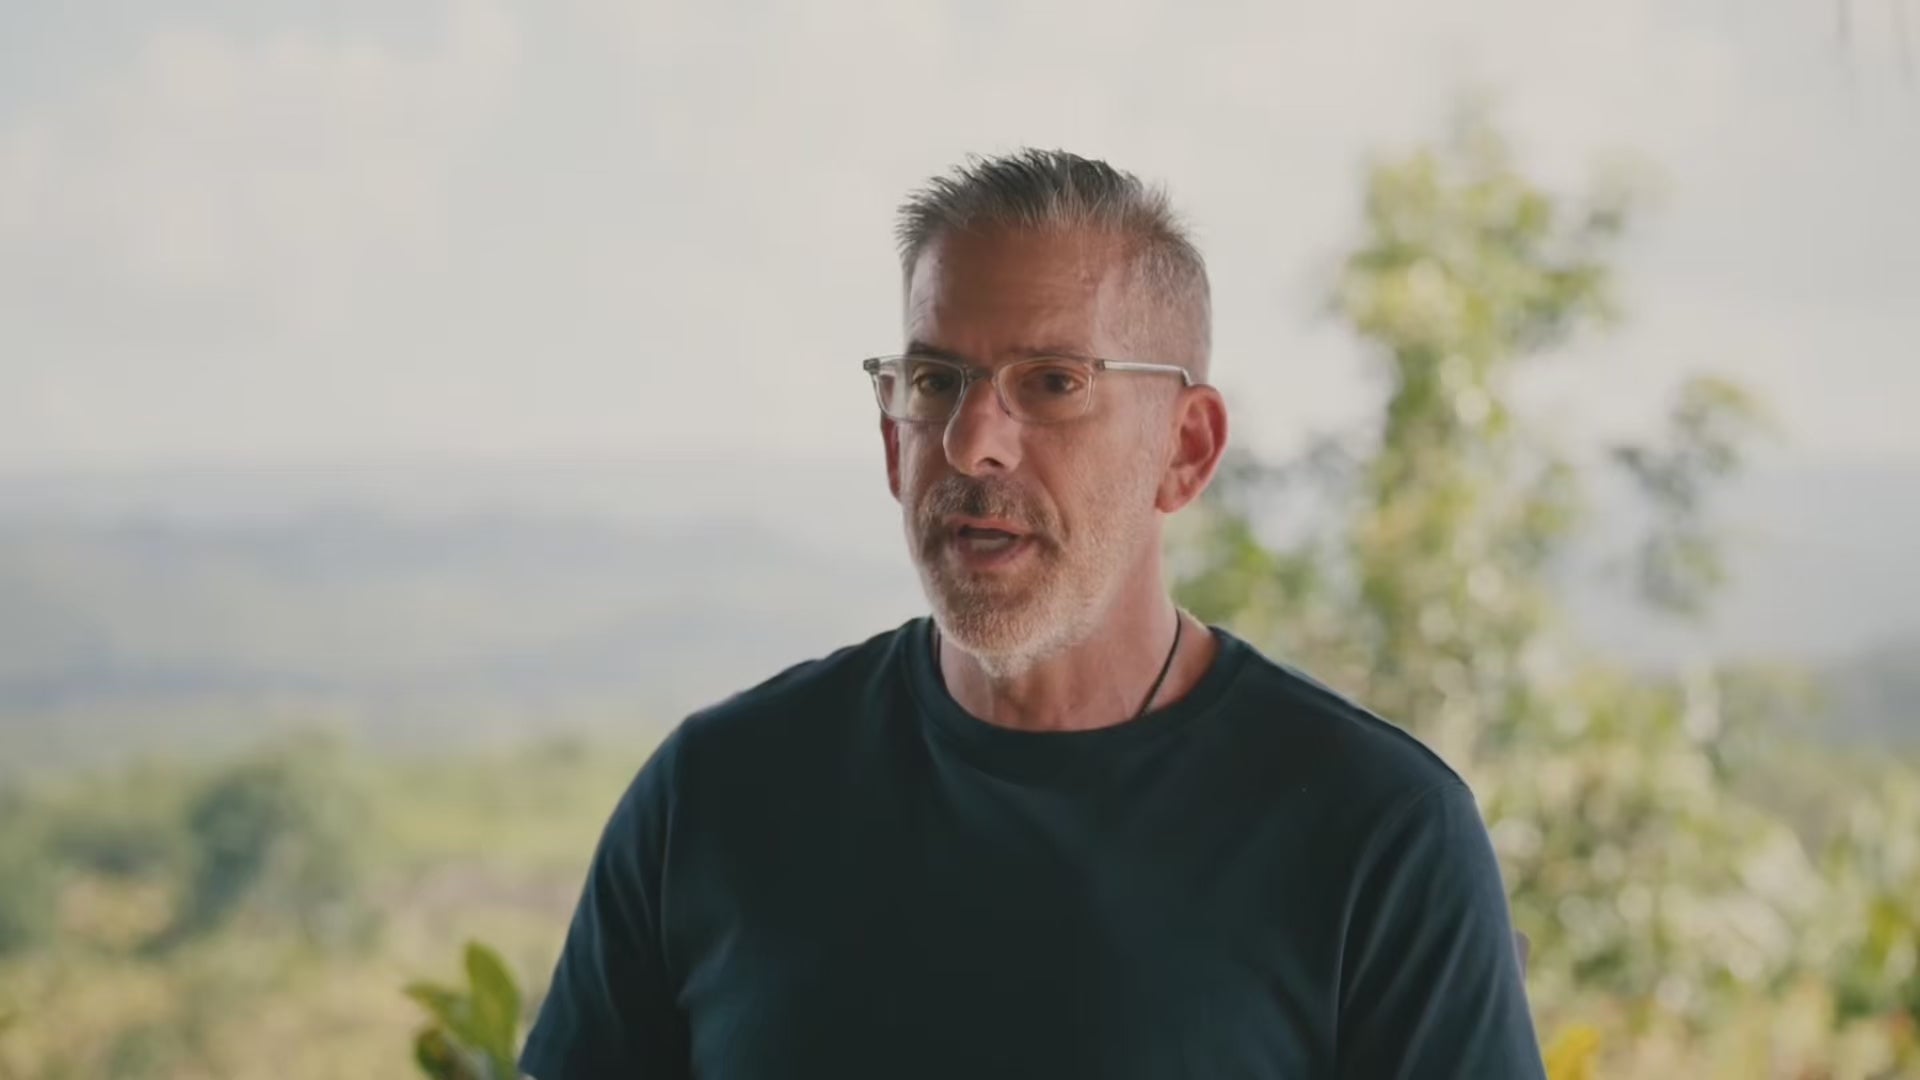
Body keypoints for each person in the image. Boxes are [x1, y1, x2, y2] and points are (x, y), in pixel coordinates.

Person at [519, 149, 1546, 1079]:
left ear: (1186, 449)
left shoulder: (1377, 834)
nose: (972, 443)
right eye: (936, 381)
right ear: (891, 440)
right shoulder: (713, 796)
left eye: (1053, 383)